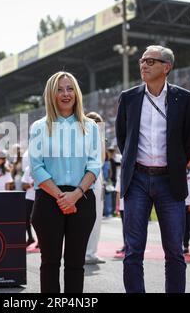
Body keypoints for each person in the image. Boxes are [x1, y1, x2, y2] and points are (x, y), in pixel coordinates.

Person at [115, 45, 190, 293]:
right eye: (142, 60)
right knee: (133, 251)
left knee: (174, 252)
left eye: (151, 61)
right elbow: (123, 138)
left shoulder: (185, 99)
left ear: (166, 67)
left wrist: (172, 166)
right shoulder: (128, 97)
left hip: (169, 182)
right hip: (137, 179)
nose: (144, 65)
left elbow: (189, 141)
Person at [29, 71, 101, 293]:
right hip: (49, 200)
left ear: (76, 93)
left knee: (75, 265)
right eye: (59, 89)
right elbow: (36, 167)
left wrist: (75, 194)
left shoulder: (91, 127)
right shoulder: (39, 127)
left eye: (70, 88)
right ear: (51, 95)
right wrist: (61, 197)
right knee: (49, 263)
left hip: (82, 200)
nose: (65, 94)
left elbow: (94, 165)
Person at [85, 112, 106, 265]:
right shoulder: (87, 137)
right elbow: (100, 159)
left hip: (97, 178)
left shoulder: (97, 136)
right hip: (90, 177)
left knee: (97, 218)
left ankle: (90, 252)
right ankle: (87, 253)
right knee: (90, 218)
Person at [21, 165, 37, 247]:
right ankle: (30, 238)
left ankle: (40, 241)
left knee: (39, 221)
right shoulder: (28, 168)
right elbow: (23, 185)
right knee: (26, 219)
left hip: (40, 197)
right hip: (29, 198)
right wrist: (32, 184)